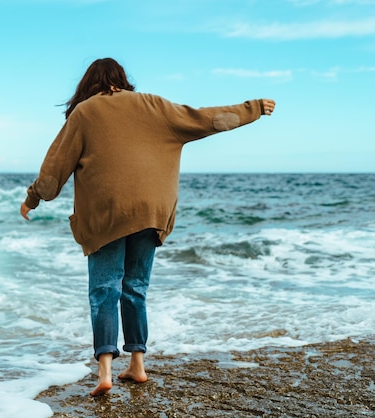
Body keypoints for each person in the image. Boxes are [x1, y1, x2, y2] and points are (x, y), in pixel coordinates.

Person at [20, 57, 275, 397]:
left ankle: (105, 372)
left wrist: (33, 198)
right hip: (151, 211)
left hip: (107, 214)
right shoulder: (154, 105)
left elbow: (54, 172)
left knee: (104, 291)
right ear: (123, 79)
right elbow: (208, 120)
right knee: (135, 288)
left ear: (88, 83)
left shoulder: (85, 112)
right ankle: (137, 366)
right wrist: (253, 108)